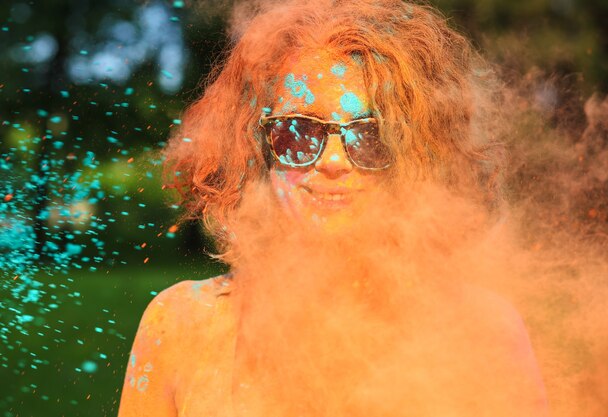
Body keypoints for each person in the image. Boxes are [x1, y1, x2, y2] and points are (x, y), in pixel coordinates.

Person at [118, 1, 549, 416]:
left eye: (371, 135)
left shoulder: (484, 332)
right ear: (257, 146)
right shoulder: (179, 325)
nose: (333, 161)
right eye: (298, 133)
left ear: (417, 152)